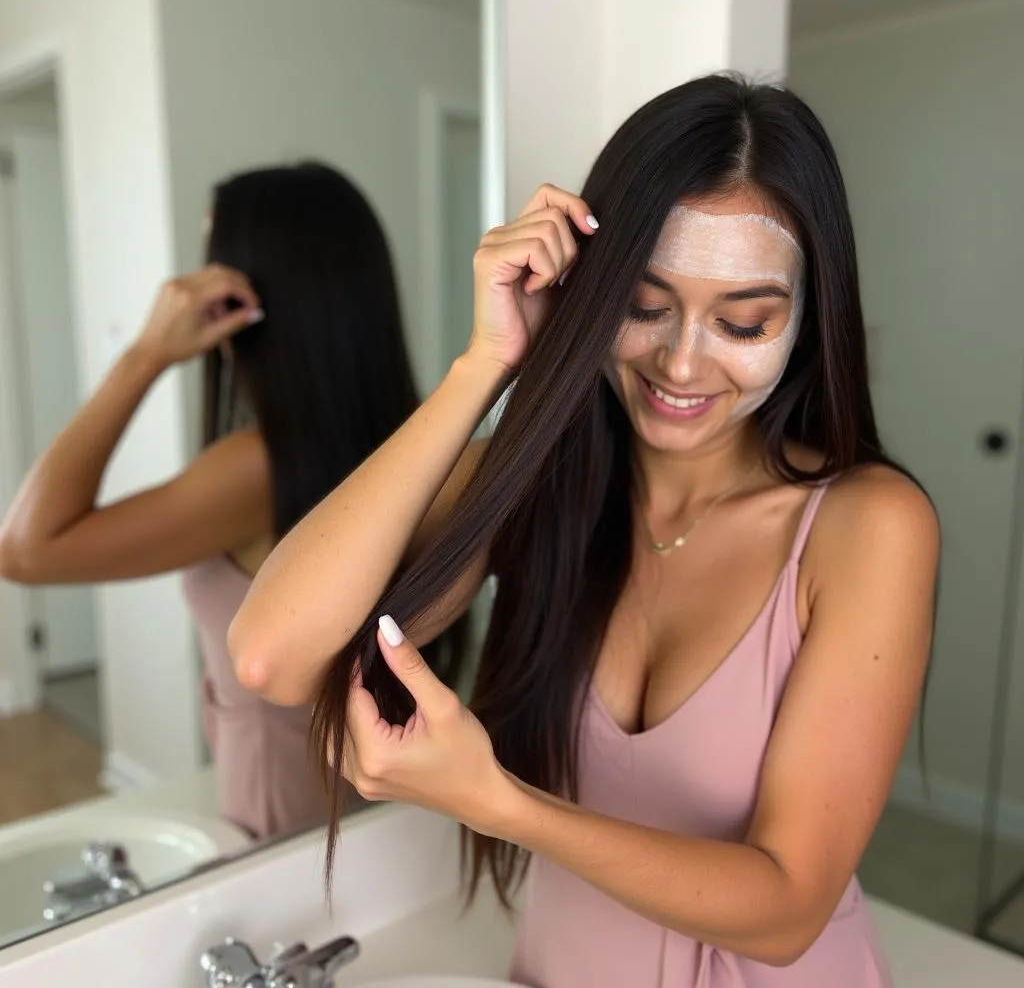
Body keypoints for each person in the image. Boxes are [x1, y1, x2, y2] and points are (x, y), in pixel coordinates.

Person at [229, 77, 939, 985]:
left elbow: (789, 907)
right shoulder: (536, 485)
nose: (681, 362)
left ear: (804, 321)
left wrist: (501, 805)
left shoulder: (866, 527)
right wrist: (487, 363)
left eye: (743, 320)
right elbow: (271, 656)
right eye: (641, 306)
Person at [0, 161, 464, 841]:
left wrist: (146, 354)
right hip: (373, 811)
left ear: (253, 300)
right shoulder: (417, 451)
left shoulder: (256, 471)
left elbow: (24, 550)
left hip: (280, 816)